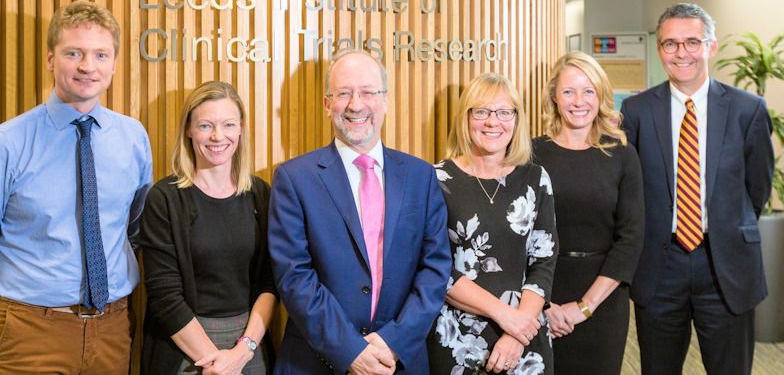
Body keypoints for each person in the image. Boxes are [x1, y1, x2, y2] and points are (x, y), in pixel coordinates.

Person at [0, 1, 152, 374]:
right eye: (73, 52)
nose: (87, 66)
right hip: (28, 332)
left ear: (113, 63)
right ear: (50, 59)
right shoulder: (4, 145)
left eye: (100, 54)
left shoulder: (133, 138)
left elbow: (137, 228)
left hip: (113, 329)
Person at [267, 50, 451, 374]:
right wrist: (350, 351)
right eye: (343, 93)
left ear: (385, 100)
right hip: (316, 362)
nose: (356, 105)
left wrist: (393, 342)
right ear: (327, 104)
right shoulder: (294, 179)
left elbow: (435, 269)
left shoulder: (420, 176)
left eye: (368, 92)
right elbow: (294, 277)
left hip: (398, 361)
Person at [621, 3, 774, 375]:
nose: (681, 52)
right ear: (659, 50)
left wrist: (723, 227)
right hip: (660, 266)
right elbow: (631, 188)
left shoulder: (747, 110)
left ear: (711, 46)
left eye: (692, 41)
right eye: (670, 44)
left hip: (726, 267)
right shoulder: (637, 111)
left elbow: (757, 188)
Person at [138, 81, 278, 374]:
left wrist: (242, 352)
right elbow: (165, 297)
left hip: (249, 344)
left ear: (240, 129)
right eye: (205, 126)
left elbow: (270, 282)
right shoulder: (164, 198)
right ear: (188, 130)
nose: (218, 136)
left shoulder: (260, 194)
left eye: (228, 124)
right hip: (185, 347)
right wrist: (217, 362)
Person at [428, 72, 558, 374]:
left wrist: (516, 331)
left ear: (516, 119)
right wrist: (505, 316)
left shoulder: (536, 179)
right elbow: (435, 267)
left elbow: (544, 263)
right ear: (466, 117)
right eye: (482, 111)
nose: (492, 122)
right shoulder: (435, 179)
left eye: (504, 112)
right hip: (456, 338)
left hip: (524, 340)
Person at [532, 52, 644, 375]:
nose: (578, 101)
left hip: (603, 300)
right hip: (540, 297)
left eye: (588, 91)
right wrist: (544, 307)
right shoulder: (531, 154)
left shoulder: (622, 154)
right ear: (554, 95)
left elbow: (631, 238)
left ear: (601, 95)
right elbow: (518, 237)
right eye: (568, 91)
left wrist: (584, 307)